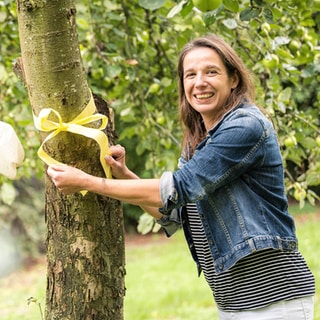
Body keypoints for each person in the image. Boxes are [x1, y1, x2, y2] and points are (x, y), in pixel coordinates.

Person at [47, 35, 315, 319]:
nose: (199, 82)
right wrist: (124, 176)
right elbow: (173, 212)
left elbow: (179, 188)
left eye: (211, 72)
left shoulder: (246, 126)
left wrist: (87, 183)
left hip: (273, 300)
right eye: (191, 75)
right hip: (234, 304)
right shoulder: (197, 140)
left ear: (234, 79)